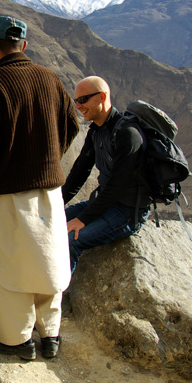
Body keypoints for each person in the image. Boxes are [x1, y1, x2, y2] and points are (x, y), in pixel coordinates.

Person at [0, 16, 80, 360]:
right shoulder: (50, 78)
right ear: (24, 45)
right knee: (48, 261)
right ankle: (50, 336)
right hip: (50, 192)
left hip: (10, 194)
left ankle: (17, 341)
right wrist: (49, 159)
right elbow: (72, 125)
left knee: (13, 267)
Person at [61, 76, 150, 272]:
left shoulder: (128, 133)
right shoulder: (96, 132)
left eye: (83, 100)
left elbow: (116, 186)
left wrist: (82, 219)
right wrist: (54, 206)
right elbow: (79, 172)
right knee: (52, 224)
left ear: (102, 97)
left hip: (127, 212)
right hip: (106, 203)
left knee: (72, 239)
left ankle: (55, 300)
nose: (78, 106)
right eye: (76, 101)